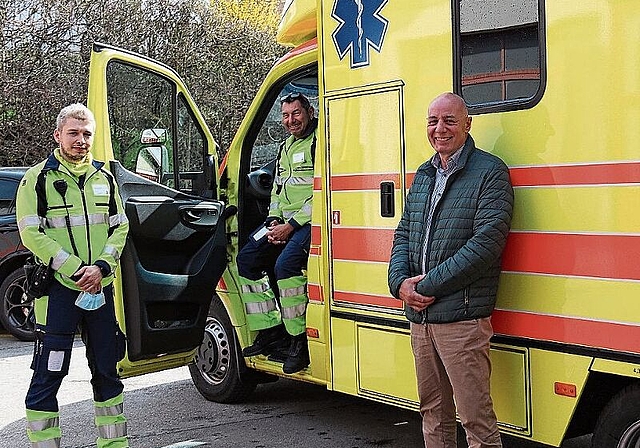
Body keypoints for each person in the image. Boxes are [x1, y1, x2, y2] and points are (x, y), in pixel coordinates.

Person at [388, 93, 513, 448]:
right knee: (433, 414)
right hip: (421, 320)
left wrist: (426, 285)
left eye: (449, 121)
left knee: (476, 419)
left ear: (467, 125)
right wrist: (399, 284)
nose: (439, 129)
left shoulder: (490, 172)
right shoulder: (425, 174)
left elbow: (485, 246)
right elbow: (404, 233)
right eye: (433, 121)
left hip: (462, 320)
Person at [16, 103, 130, 448]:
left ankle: (114, 444)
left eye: (86, 134)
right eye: (74, 133)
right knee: (49, 373)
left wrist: (102, 268)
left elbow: (120, 227)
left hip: (100, 289)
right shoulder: (37, 178)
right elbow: (30, 233)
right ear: (58, 135)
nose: (81, 140)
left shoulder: (104, 178)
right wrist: (76, 268)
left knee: (108, 372)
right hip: (58, 294)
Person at [236, 92, 317, 374]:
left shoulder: (319, 142)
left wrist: (291, 226)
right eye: (285, 115)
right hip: (282, 221)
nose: (291, 120)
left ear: (308, 111)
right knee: (246, 259)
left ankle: (299, 342)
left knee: (286, 266)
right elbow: (278, 190)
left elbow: (322, 194)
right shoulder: (284, 147)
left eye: (296, 113)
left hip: (309, 223)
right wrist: (272, 220)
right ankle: (270, 332)